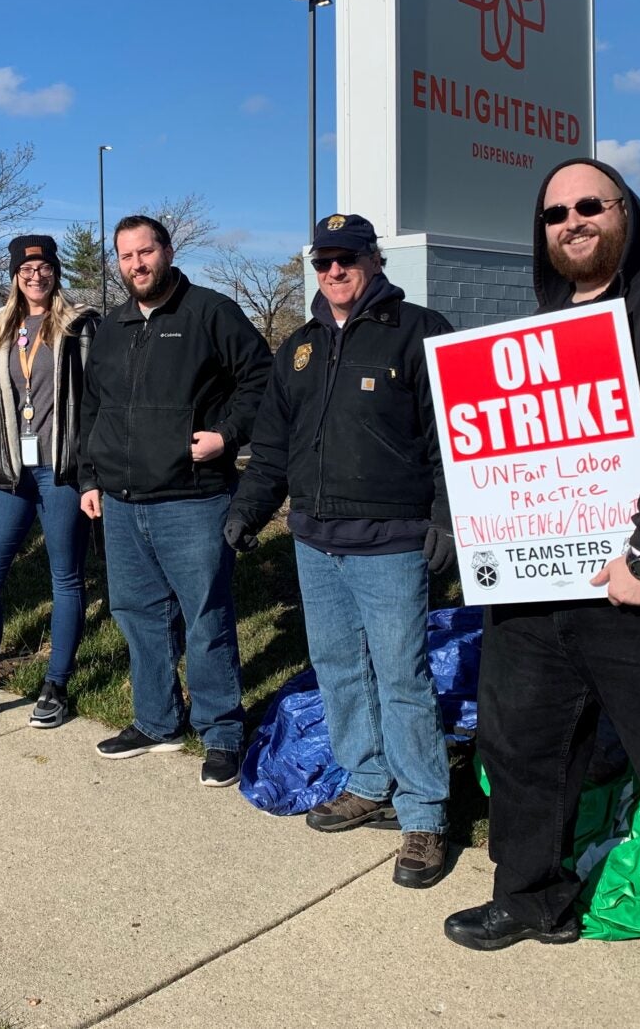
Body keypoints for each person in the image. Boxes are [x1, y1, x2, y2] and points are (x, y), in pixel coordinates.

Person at [443, 159, 640, 1029]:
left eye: (591, 205)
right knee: (522, 751)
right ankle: (531, 897)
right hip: (541, 595)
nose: (573, 221)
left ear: (625, 211)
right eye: (556, 213)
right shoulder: (541, 328)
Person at [226, 214, 457, 889]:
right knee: (337, 668)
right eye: (323, 261)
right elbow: (272, 445)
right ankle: (367, 779)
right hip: (316, 541)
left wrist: (446, 518)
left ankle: (424, 816)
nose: (333, 271)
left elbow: (450, 433)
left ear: (373, 261)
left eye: (346, 258)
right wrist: (248, 511)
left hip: (391, 542)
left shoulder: (418, 330)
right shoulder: (297, 348)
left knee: (402, 678)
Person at [78, 215, 271, 787]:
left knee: (205, 615)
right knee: (138, 615)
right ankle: (156, 721)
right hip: (122, 498)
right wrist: (90, 477)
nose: (137, 264)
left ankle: (222, 732)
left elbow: (263, 379)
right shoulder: (111, 326)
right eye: (126, 256)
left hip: (193, 497)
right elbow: (94, 408)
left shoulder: (210, 312)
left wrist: (227, 435)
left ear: (167, 251)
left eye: (146, 252)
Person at [0, 234, 99, 728]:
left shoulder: (82, 325)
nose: (36, 276)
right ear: (14, 274)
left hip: (62, 472)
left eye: (44, 267)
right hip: (7, 473)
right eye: (26, 269)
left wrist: (91, 462)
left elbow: (99, 397)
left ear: (56, 271)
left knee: (66, 578)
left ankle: (55, 685)